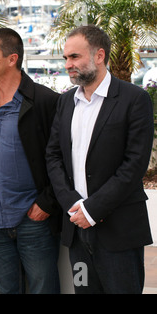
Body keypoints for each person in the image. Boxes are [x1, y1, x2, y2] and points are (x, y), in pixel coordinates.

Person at [46, 25, 154, 294]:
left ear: (99, 55)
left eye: (74, 57)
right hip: (77, 231)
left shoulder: (134, 99)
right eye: (66, 59)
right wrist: (72, 204)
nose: (68, 65)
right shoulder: (66, 102)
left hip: (119, 230)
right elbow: (53, 156)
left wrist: (92, 210)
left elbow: (134, 164)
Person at [0, 28, 61, 294]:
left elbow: (63, 158)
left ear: (12, 59)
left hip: (33, 220)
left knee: (43, 289)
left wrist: (46, 202)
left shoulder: (46, 101)